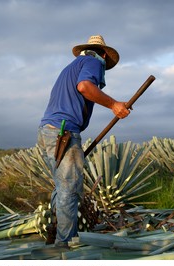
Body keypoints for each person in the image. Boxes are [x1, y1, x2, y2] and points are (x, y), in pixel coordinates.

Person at [37, 35, 130, 248]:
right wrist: (114, 105)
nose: (104, 67)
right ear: (104, 54)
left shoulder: (71, 67)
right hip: (64, 132)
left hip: (47, 131)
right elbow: (85, 87)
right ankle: (65, 246)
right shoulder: (94, 61)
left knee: (61, 187)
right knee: (69, 189)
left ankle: (56, 230)